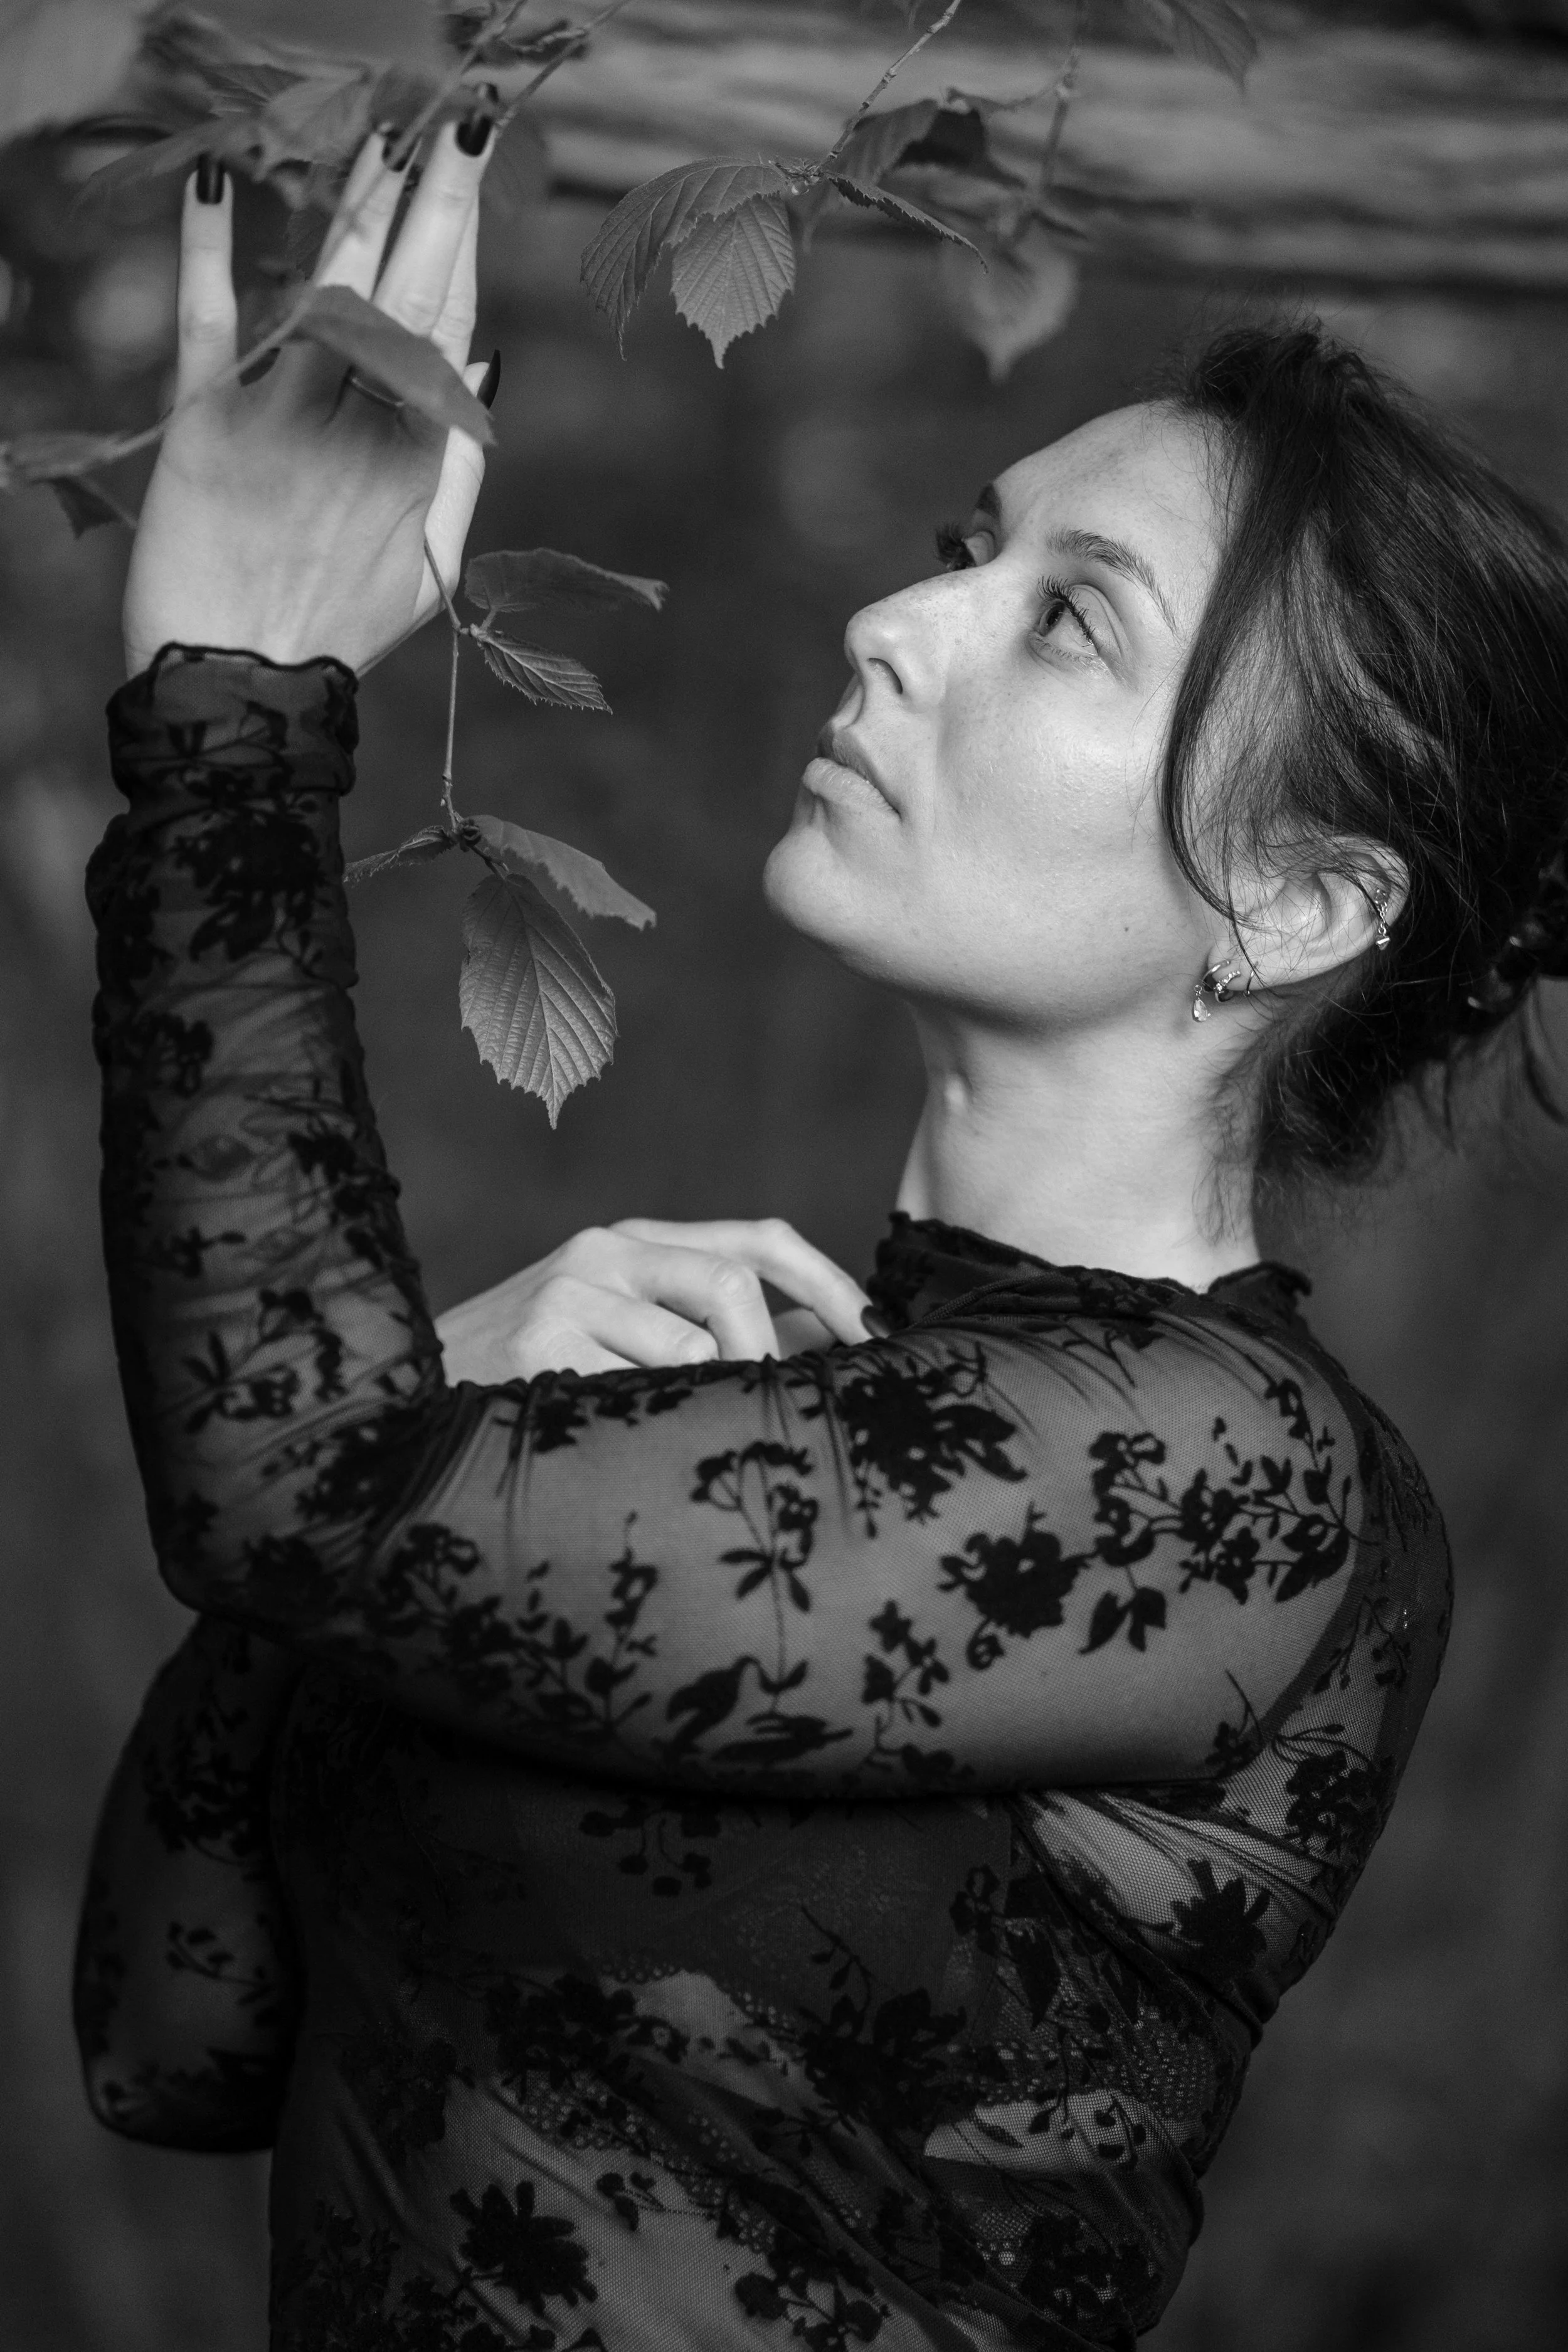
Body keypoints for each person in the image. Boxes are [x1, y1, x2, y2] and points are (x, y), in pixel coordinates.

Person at [68, 108, 1568, 2352]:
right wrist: (433, 1417)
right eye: (972, 540)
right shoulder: (731, 1415)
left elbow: (282, 1484)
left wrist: (235, 711)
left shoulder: (1228, 1481)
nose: (894, 616)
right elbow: (171, 2034)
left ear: (1293, 902)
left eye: (1063, 617)